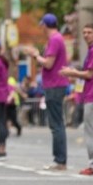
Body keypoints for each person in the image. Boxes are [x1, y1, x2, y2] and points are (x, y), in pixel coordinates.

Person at [59, 23, 93, 176]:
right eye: (84, 32)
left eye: (89, 32)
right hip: (92, 95)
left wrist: (72, 72)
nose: (86, 35)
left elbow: (89, 74)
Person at [24, 13, 70, 170]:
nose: (41, 28)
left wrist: (36, 55)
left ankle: (60, 160)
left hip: (54, 84)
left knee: (56, 124)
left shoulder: (54, 39)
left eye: (41, 25)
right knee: (57, 123)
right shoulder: (57, 39)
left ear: (45, 25)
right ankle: (60, 159)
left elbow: (49, 63)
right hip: (55, 84)